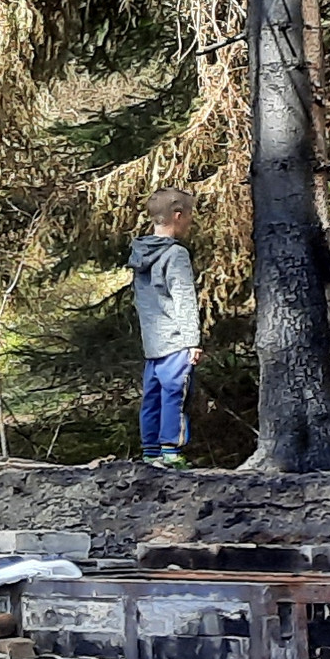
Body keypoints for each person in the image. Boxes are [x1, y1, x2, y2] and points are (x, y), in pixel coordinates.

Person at [130, 186, 203, 468]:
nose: (191, 221)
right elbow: (184, 298)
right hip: (175, 342)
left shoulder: (139, 254)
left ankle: (151, 452)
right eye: (190, 215)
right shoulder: (175, 255)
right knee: (175, 396)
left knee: (152, 399)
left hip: (153, 344)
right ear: (177, 215)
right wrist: (192, 341)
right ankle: (171, 453)